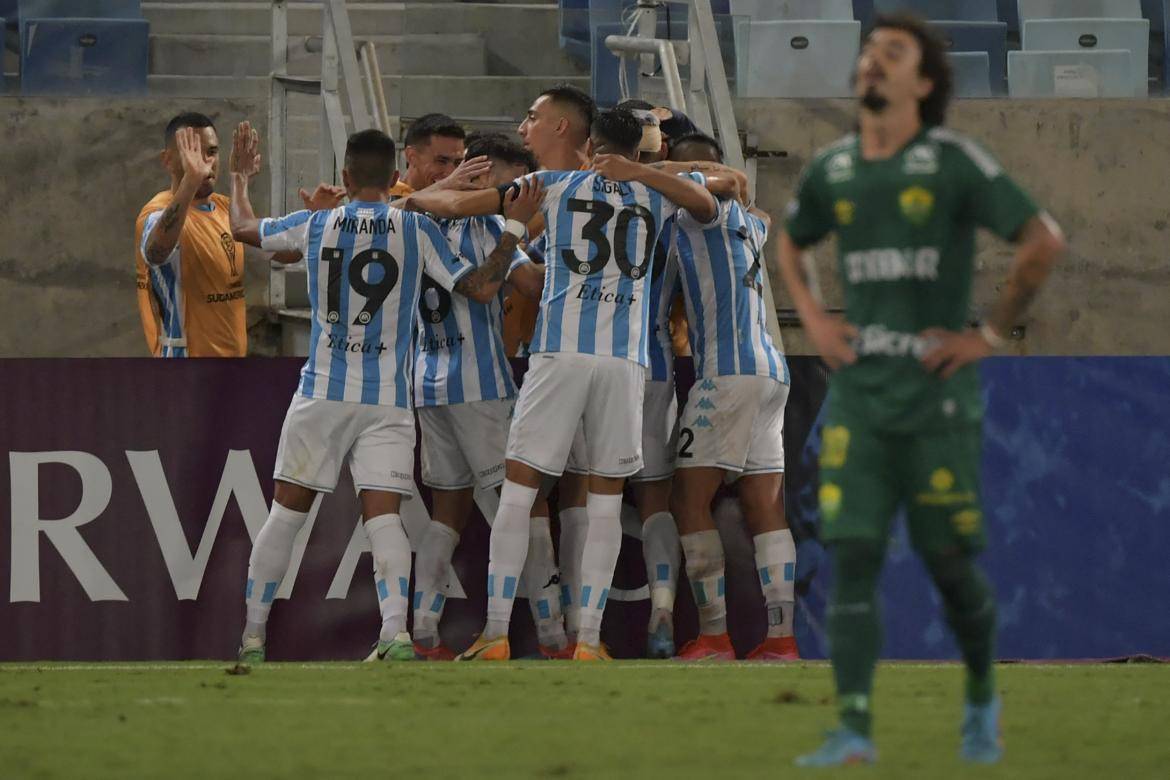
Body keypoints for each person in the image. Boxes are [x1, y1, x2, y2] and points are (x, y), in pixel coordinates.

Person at [777, 14, 1065, 766]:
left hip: (936, 399)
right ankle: (855, 727)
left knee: (947, 563)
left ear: (925, 83)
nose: (872, 61)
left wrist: (990, 333)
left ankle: (979, 702)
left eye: (892, 54)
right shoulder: (834, 168)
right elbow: (790, 237)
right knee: (853, 552)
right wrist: (812, 317)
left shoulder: (953, 162)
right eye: (869, 51)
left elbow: (1043, 240)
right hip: (862, 399)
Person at [402, 108, 739, 661]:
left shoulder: (554, 185)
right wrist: (645, 176)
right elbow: (713, 198)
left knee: (520, 490)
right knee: (606, 501)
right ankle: (587, 640)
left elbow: (458, 206)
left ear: (588, 146)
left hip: (559, 355)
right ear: (639, 151)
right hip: (624, 363)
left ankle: (495, 633)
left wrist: (411, 199)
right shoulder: (659, 192)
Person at [225, 122, 532, 663]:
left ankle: (252, 638)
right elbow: (482, 288)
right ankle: (394, 635)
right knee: (384, 518)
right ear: (395, 177)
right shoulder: (415, 228)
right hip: (386, 400)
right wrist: (511, 229)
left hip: (322, 391)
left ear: (344, 176)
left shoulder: (316, 224)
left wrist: (240, 178)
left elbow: (243, 228)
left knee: (287, 514)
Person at [406, 132, 568, 660]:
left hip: (430, 384)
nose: (514, 192)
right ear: (482, 174)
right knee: (528, 504)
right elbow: (485, 286)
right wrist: (518, 229)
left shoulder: (421, 218)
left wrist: (571, 255)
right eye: (509, 182)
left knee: (447, 509)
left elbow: (533, 284)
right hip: (478, 387)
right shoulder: (469, 225)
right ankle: (553, 637)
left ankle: (424, 636)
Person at [653, 133, 797, 663]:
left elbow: (712, 190)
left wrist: (653, 169)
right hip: (771, 371)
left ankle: (714, 635)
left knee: (688, 499)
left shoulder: (705, 212)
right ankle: (781, 639)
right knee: (765, 506)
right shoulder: (752, 222)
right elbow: (755, 206)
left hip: (729, 374)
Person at [134, 112, 328, 357]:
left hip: (233, 368)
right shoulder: (155, 212)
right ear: (168, 161)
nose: (205, 162)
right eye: (193, 153)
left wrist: (318, 221)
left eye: (212, 152)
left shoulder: (227, 210)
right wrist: (190, 182)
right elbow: (155, 252)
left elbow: (285, 254)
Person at [388, 113, 488, 200]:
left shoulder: (462, 207)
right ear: (412, 157)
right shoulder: (384, 197)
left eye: (457, 163)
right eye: (441, 161)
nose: (452, 174)